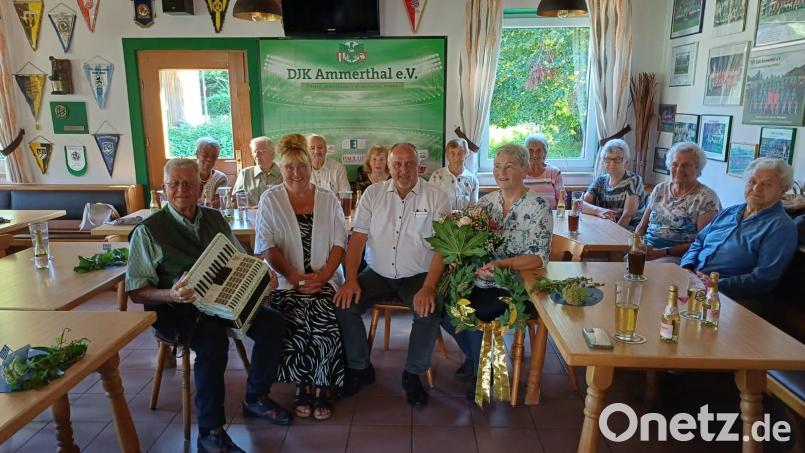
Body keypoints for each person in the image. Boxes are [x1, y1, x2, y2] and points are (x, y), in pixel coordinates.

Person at [126, 158, 291, 453]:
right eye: (174, 183)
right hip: (176, 309)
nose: (181, 189)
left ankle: (255, 397)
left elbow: (240, 258)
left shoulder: (215, 219)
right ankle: (210, 432)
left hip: (225, 300)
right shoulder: (148, 231)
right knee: (213, 342)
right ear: (164, 188)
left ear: (201, 186)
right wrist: (170, 295)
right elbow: (137, 292)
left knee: (273, 323)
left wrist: (263, 272)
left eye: (188, 183)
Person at [415, 144, 552, 393]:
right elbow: (468, 238)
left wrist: (501, 264)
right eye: (498, 166)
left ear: (524, 169)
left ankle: (482, 375)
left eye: (508, 166)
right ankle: (478, 357)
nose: (501, 172)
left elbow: (538, 258)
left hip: (514, 283)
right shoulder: (486, 203)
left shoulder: (538, 206)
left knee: (473, 310)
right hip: (479, 278)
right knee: (443, 307)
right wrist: (459, 254)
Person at [333, 143, 450, 407]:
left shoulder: (436, 196)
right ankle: (360, 368)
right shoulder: (373, 194)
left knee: (429, 310)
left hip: (417, 276)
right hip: (378, 273)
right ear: (389, 166)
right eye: (397, 163)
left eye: (409, 163)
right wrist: (351, 279)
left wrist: (430, 287)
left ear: (418, 166)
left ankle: (412, 374)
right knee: (344, 304)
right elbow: (357, 240)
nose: (403, 169)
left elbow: (443, 246)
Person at [255, 138, 347, 421]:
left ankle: (321, 385)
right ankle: (302, 384)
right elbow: (266, 246)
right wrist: (294, 277)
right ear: (281, 168)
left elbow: (339, 244)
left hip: (325, 278)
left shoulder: (328, 198)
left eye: (302, 166)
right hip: (287, 281)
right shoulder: (270, 199)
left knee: (322, 311)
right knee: (294, 313)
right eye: (289, 167)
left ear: (311, 168)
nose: (296, 172)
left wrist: (323, 277)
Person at [680, 158, 797, 299]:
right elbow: (699, 241)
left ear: (783, 189)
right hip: (694, 280)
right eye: (752, 182)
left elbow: (764, 279)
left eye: (767, 184)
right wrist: (687, 267)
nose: (756, 188)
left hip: (731, 296)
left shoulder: (781, 227)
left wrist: (714, 284)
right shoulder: (729, 212)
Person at [637, 142, 721, 261]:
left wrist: (663, 252)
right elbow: (642, 226)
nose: (679, 169)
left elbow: (702, 241)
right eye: (675, 164)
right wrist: (636, 245)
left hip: (675, 255)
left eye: (686, 165)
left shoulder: (706, 197)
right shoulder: (660, 189)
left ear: (698, 169)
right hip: (647, 249)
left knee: (651, 270)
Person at [582, 139, 647, 229]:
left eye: (618, 159)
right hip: (603, 228)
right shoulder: (600, 180)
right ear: (603, 161)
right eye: (608, 159)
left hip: (628, 232)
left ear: (626, 162)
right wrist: (599, 211)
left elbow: (627, 216)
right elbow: (581, 204)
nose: (612, 163)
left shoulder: (634, 180)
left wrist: (611, 237)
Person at [428, 138, 480, 211]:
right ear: (447, 155)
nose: (456, 157)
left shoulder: (472, 179)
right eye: (452, 153)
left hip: (465, 221)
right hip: (441, 221)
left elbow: (474, 206)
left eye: (460, 153)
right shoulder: (436, 176)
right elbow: (429, 202)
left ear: (466, 155)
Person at [233, 136, 283, 206]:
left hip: (276, 215)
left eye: (262, 151)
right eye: (255, 151)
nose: (257, 155)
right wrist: (251, 207)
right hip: (251, 215)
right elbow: (236, 200)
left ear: (272, 154)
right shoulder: (245, 173)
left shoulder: (283, 173)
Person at [523, 133, 564, 208]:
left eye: (539, 150)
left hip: (551, 216)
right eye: (531, 151)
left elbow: (562, 199)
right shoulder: (519, 173)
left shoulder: (554, 172)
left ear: (545, 152)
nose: (535, 155)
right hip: (526, 218)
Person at [195, 137, 229, 208]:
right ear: (197, 155)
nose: (209, 159)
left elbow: (219, 203)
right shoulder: (186, 175)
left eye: (213, 156)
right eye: (205, 155)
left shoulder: (220, 178)